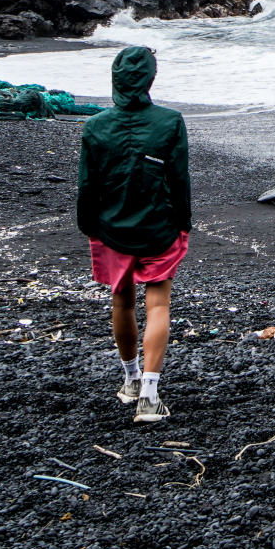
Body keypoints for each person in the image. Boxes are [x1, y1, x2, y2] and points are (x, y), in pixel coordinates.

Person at [77, 46, 191, 424]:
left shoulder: (95, 125)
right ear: (150, 80)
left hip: (111, 225)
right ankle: (150, 395)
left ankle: (130, 379)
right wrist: (184, 222)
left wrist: (88, 225)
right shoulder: (170, 121)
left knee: (121, 303)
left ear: (115, 79)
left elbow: (87, 184)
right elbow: (178, 179)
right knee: (158, 305)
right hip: (158, 225)